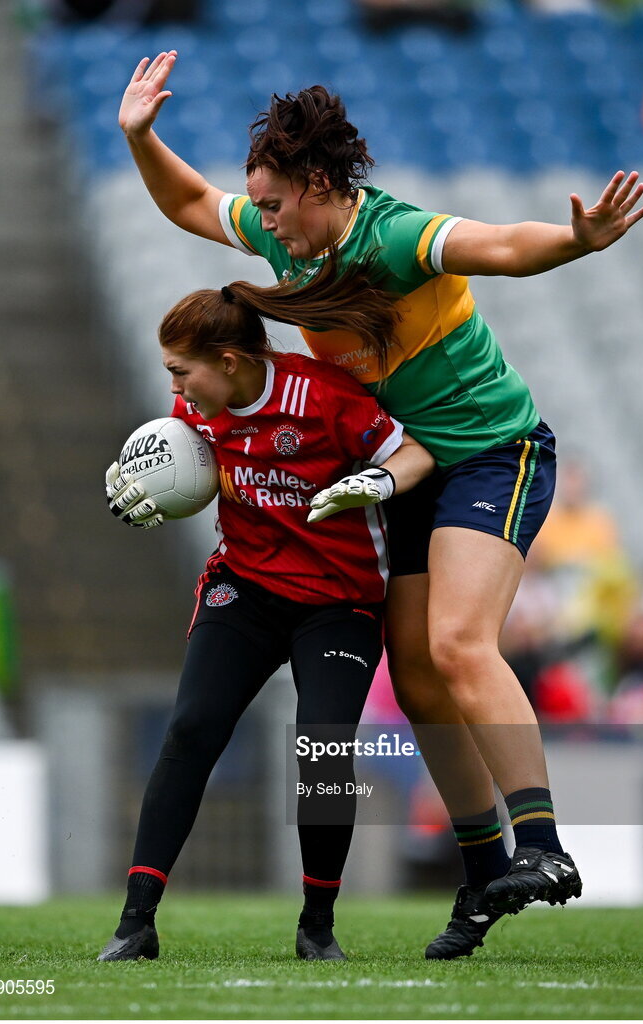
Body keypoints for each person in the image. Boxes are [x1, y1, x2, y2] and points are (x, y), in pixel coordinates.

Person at [117, 57, 643, 958]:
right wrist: (139, 136)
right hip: (405, 467)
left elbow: (504, 246)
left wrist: (577, 241)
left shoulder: (397, 236)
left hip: (491, 453)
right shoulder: (289, 236)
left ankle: (545, 849)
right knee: (413, 673)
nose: (265, 224)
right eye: (263, 210)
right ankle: (485, 874)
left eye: (278, 205)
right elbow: (187, 205)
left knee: (455, 644)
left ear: (319, 186)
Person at [97, 255, 436, 962]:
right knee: (190, 727)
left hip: (339, 599)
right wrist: (148, 495)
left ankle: (317, 926)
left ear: (227, 360)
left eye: (180, 371)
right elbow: (185, 474)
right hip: (245, 586)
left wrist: (374, 482)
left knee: (321, 744)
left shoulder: (324, 397)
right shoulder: (196, 409)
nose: (174, 388)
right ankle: (135, 925)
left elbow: (415, 456)